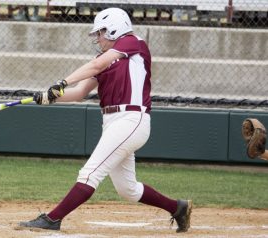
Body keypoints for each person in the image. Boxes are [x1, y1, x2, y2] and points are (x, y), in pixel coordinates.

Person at [17, 7, 193, 233]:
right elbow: (80, 92)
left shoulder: (133, 43)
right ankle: (178, 208)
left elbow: (95, 66)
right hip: (112, 122)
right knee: (127, 189)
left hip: (131, 119)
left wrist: (62, 81)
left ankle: (52, 219)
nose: (97, 38)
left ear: (114, 29)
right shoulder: (104, 59)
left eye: (100, 33)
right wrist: (49, 98)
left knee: (90, 173)